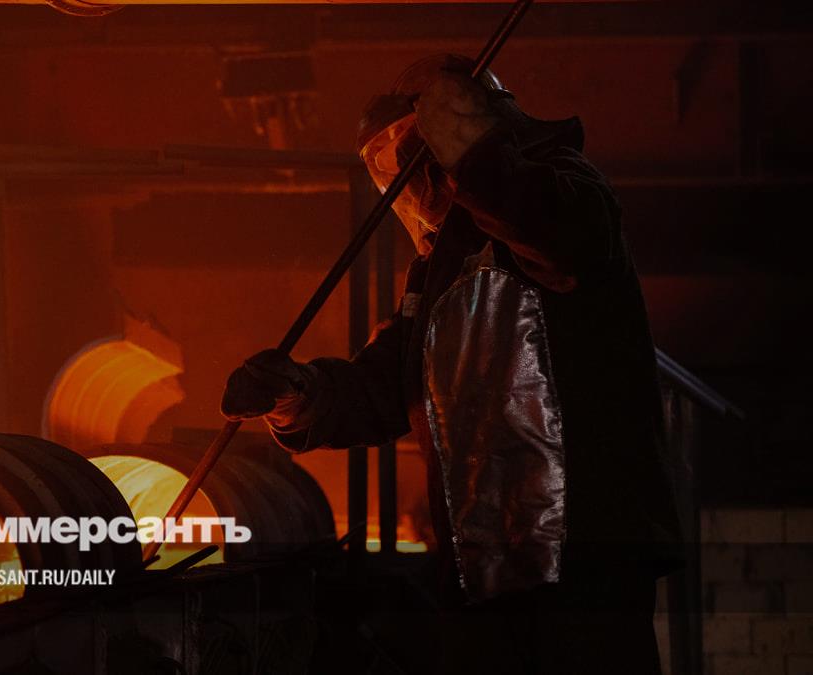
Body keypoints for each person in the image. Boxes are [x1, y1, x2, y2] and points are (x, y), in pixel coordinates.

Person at [220, 54, 682, 674]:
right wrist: (299, 395)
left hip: (583, 548)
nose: (409, 183)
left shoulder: (564, 188)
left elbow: (561, 241)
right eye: (391, 166)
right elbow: (387, 387)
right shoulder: (439, 269)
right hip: (485, 557)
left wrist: (480, 159)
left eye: (415, 152)